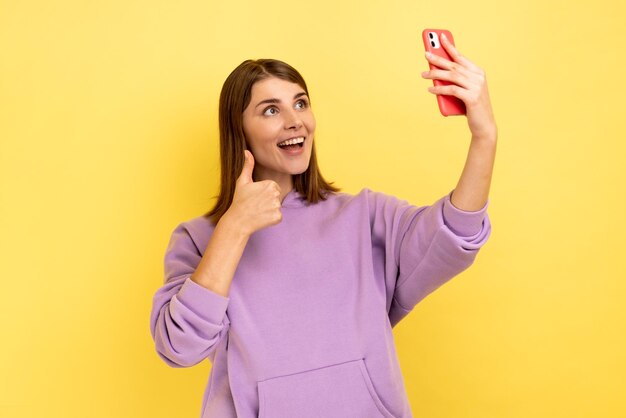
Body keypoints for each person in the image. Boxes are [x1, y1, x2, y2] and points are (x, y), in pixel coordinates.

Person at [150, 34, 496, 418]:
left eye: (300, 103)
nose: (295, 121)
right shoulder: (199, 239)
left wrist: (484, 136)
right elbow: (178, 347)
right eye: (270, 110)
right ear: (239, 130)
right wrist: (234, 228)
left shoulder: (364, 216)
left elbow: (455, 235)